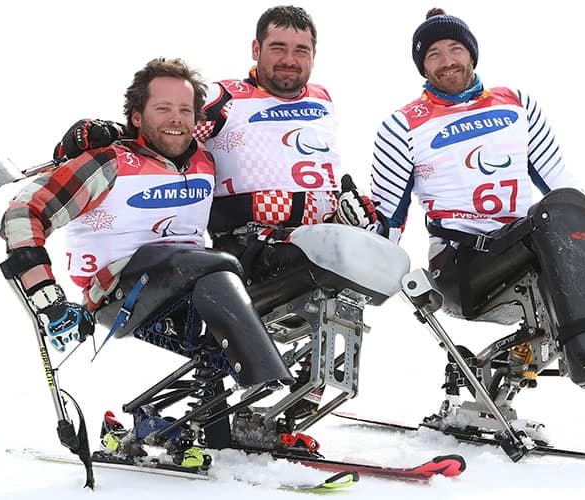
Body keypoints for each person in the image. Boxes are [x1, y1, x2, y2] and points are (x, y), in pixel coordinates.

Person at [51, 5, 379, 418]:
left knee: (370, 261)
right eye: (278, 48)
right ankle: (273, 383)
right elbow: (167, 129)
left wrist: (348, 204)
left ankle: (307, 389)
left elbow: (311, 164)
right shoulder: (228, 98)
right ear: (256, 49)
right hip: (253, 243)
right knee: (331, 264)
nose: (289, 59)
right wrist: (102, 132)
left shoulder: (322, 99)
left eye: (301, 50)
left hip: (315, 234)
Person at [0, 57, 293, 465]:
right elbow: (24, 212)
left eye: (185, 110)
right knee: (210, 264)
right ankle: (266, 379)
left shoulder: (205, 161)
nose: (176, 119)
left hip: (192, 280)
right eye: (163, 108)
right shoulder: (109, 163)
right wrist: (47, 297)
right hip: (119, 291)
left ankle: (230, 425)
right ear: (137, 116)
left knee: (282, 276)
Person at [370, 8, 585, 390]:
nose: (447, 61)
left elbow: (563, 187)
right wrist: (364, 274)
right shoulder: (403, 125)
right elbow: (387, 217)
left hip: (525, 249)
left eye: (455, 49)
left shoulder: (515, 105)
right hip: (462, 266)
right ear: (422, 66)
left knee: (578, 206)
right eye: (433, 54)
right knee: (554, 217)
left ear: (471, 53)